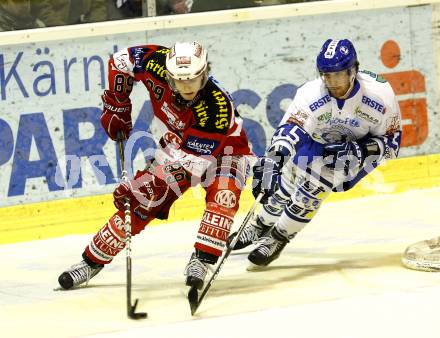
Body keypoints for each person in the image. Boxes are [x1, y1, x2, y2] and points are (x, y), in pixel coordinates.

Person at [58, 41, 252, 290]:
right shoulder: (155, 61)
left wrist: (146, 184)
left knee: (223, 197)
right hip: (178, 145)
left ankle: (202, 261)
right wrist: (117, 101)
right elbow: (120, 61)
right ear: (168, 75)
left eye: (193, 79)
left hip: (227, 152)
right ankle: (90, 262)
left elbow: (190, 165)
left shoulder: (216, 107)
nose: (187, 86)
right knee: (139, 204)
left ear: (205, 73)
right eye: (180, 80)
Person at [229, 38, 402, 267]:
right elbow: (291, 129)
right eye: (327, 75)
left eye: (339, 75)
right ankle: (260, 224)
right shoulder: (310, 93)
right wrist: (273, 160)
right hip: (313, 141)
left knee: (313, 188)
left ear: (354, 71)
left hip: (351, 153)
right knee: (287, 181)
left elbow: (393, 143)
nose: (333, 82)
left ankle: (279, 237)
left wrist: (360, 150)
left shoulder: (381, 95)